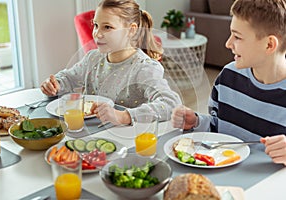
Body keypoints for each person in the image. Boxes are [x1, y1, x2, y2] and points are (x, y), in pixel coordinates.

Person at [171, 0, 286, 166]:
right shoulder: (228, 77)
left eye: (237, 37)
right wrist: (196, 122)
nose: (228, 43)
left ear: (269, 44)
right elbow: (217, 127)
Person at [40, 0, 181, 126]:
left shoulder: (144, 68)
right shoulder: (92, 58)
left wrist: (124, 116)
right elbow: (69, 78)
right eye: (96, 25)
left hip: (127, 140)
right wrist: (55, 84)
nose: (97, 33)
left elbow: (170, 104)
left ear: (131, 30)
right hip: (91, 134)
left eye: (107, 27)